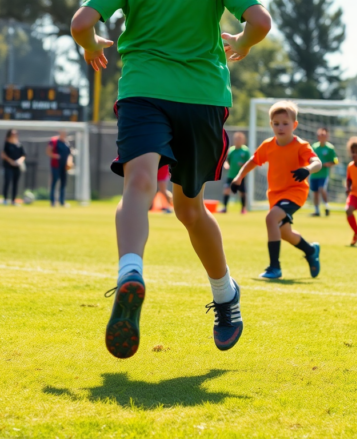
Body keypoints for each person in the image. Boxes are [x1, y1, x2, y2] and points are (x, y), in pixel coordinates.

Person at [71, 0, 271, 358]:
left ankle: (130, 272)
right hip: (202, 96)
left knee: (140, 185)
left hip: (143, 90)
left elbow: (80, 23)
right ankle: (224, 296)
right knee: (190, 210)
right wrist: (242, 42)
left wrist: (88, 44)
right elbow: (260, 21)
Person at [232, 101, 322, 280]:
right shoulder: (268, 145)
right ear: (271, 124)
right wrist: (239, 177)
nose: (280, 127)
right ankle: (311, 250)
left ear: (294, 125)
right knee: (285, 233)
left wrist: (307, 169)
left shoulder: (301, 145)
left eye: (285, 123)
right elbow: (253, 161)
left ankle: (275, 267)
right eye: (276, 123)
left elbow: (317, 162)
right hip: (276, 195)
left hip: (295, 193)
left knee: (271, 218)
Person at [309, 127, 338, 217]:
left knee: (322, 189)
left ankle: (326, 206)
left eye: (324, 135)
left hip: (323, 174)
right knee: (315, 192)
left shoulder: (330, 148)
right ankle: (317, 210)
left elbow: (335, 160)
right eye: (320, 135)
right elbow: (309, 158)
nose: (322, 137)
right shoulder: (314, 147)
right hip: (314, 174)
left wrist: (328, 163)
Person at [220, 132, 251, 214]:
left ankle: (243, 209)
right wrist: (226, 165)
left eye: (239, 139)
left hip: (240, 176)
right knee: (226, 190)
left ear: (243, 140)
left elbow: (250, 163)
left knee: (242, 192)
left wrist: (243, 165)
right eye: (236, 139)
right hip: (231, 175)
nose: (237, 141)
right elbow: (227, 161)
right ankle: (224, 208)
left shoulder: (245, 151)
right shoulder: (231, 150)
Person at [46, 130, 72, 207]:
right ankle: (52, 201)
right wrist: (55, 156)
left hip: (64, 166)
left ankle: (62, 201)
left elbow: (70, 154)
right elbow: (48, 151)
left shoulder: (66, 143)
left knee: (63, 183)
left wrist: (69, 162)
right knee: (54, 182)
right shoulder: (54, 141)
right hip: (56, 165)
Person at [1, 129, 26, 206]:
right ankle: (5, 200)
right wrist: (11, 161)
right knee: (7, 182)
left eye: (15, 134)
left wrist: (20, 161)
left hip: (17, 167)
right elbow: (3, 154)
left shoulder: (19, 145)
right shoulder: (7, 144)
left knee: (15, 183)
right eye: (13, 134)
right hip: (8, 166)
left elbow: (23, 155)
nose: (14, 135)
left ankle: (13, 200)